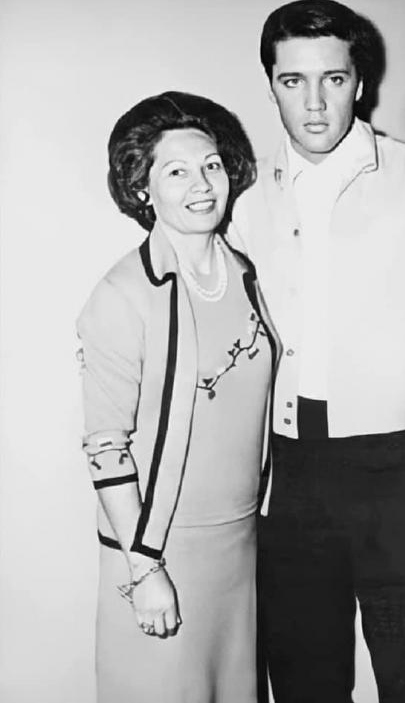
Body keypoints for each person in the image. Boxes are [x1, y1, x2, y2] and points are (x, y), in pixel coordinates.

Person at [228, 0, 405, 703]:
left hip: (400, 471)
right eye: (293, 81)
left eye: (334, 78)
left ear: (360, 81)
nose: (315, 103)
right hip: (288, 477)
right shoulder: (245, 198)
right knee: (304, 686)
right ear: (271, 85)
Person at [77, 91, 276, 703]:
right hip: (162, 548)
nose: (202, 185)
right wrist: (145, 570)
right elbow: (105, 446)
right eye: (176, 172)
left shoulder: (249, 275)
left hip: (240, 543)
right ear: (142, 188)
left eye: (211, 165)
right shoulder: (122, 295)